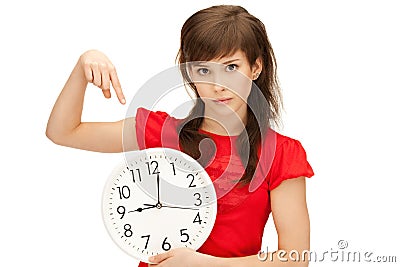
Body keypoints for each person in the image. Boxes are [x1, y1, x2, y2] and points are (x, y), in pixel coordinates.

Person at [46, 5, 314, 267]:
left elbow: (295, 258)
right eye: (204, 71)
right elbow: (63, 132)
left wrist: (201, 264)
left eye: (231, 67)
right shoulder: (160, 132)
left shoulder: (281, 153)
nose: (218, 85)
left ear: (255, 68)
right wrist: (83, 66)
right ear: (189, 73)